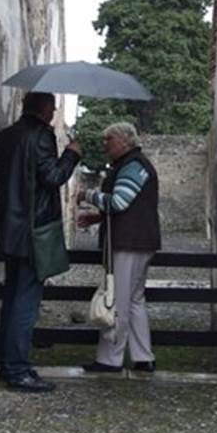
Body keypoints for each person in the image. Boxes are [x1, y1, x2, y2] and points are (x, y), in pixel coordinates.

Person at [0, 92, 81, 392]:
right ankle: (17, 370)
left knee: (13, 297)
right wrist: (72, 154)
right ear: (44, 110)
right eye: (53, 108)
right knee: (25, 303)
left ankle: (8, 364)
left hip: (9, 230)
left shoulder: (3, 137)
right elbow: (52, 177)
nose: (54, 114)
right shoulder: (41, 137)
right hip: (33, 233)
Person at [77, 122, 161, 373]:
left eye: (109, 140)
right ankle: (143, 356)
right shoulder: (135, 164)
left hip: (128, 242)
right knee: (135, 301)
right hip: (140, 240)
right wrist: (98, 218)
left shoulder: (132, 166)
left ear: (125, 141)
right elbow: (130, 206)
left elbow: (120, 202)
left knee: (118, 302)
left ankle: (110, 359)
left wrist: (88, 195)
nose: (105, 144)